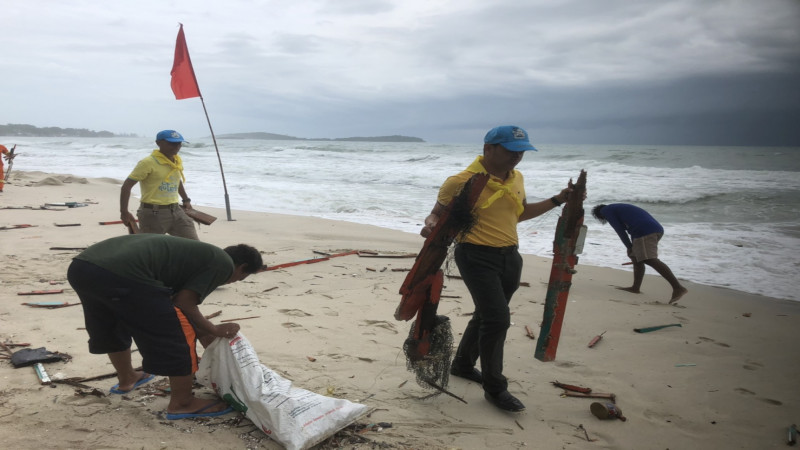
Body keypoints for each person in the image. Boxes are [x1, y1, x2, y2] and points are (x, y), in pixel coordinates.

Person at [420, 125, 577, 412]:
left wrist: (557, 200)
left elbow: (519, 214)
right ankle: (495, 388)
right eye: (511, 151)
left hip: (510, 257)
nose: (517, 157)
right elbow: (436, 214)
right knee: (497, 319)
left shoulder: (516, 178)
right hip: (475, 255)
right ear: (488, 149)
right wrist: (430, 224)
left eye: (522, 152)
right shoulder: (461, 181)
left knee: (486, 315)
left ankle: (463, 365)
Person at [66, 234, 263, 419]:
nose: (233, 280)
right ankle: (183, 403)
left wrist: (204, 332)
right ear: (241, 267)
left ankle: (127, 378)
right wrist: (214, 329)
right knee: (176, 334)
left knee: (111, 322)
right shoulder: (223, 264)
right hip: (122, 274)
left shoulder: (193, 256)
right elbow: (185, 303)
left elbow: (172, 299)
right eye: (241, 277)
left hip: (82, 268)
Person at [592, 203, 688, 304]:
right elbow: (633, 224)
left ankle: (678, 287)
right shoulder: (618, 208)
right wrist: (632, 247)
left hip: (645, 231)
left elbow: (620, 230)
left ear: (599, 214)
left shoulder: (606, 211)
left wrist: (629, 247)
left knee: (649, 259)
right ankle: (635, 287)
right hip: (652, 229)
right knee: (636, 257)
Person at [120, 130, 198, 239]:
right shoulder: (147, 163)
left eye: (179, 143)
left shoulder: (176, 161)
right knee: (152, 249)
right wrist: (124, 212)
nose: (176, 147)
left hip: (177, 211)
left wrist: (186, 200)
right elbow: (126, 187)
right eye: (171, 143)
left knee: (193, 245)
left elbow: (176, 180)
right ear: (158, 143)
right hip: (153, 214)